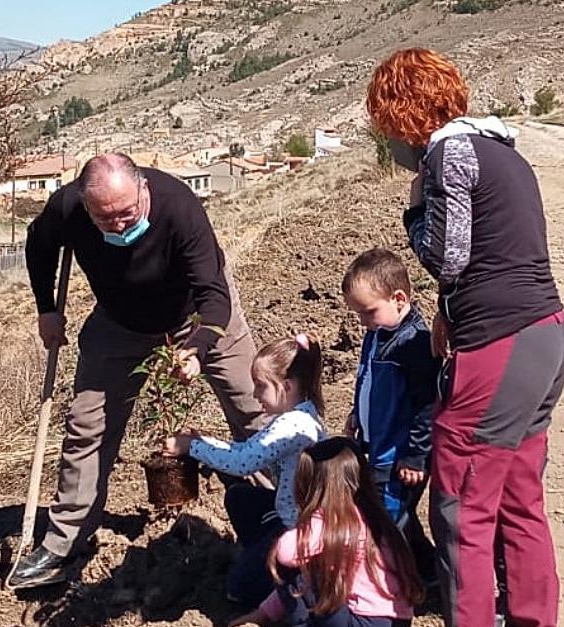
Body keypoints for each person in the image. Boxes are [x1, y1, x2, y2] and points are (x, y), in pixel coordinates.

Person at [366, 48, 564, 627]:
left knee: (461, 508)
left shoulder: (447, 154)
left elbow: (449, 256)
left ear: (401, 113)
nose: (388, 139)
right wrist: (447, 314)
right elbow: (498, 254)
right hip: (546, 336)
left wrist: (413, 216)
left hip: (500, 345)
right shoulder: (501, 152)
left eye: (386, 125)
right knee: (519, 499)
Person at [9, 153, 267, 589]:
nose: (120, 226)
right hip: (119, 322)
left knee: (253, 408)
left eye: (127, 213)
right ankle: (64, 541)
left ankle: (279, 512)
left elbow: (214, 297)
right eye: (104, 219)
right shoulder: (67, 207)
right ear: (86, 206)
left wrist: (196, 350)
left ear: (143, 189)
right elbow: (39, 244)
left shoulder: (179, 207)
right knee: (85, 425)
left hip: (198, 317)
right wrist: (46, 309)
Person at [163, 333, 326, 609]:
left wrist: (191, 448)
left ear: (285, 386)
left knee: (238, 590)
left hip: (299, 526)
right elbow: (246, 450)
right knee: (239, 497)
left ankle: (289, 571)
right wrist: (200, 441)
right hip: (289, 511)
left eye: (261, 386)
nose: (254, 394)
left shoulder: (293, 427)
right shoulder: (297, 415)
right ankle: (263, 552)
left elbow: (243, 463)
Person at [232, 437, 422, 627]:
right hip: (395, 620)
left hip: (361, 620)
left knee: (293, 564)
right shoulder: (375, 517)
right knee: (308, 564)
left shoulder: (332, 521)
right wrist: (264, 612)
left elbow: (286, 555)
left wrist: (308, 521)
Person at [340, 248, 439, 594]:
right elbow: (366, 380)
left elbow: (427, 405)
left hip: (397, 458)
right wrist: (357, 414)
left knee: (387, 523)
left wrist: (415, 455)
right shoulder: (377, 335)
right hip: (377, 446)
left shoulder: (414, 345)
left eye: (368, 312)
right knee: (397, 520)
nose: (364, 322)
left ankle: (396, 587)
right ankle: (427, 570)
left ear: (399, 299)